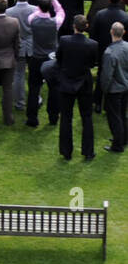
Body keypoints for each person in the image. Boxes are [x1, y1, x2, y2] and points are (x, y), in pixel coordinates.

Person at [54, 14, 99, 161]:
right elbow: (93, 63)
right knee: (86, 117)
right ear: (86, 27)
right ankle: (88, 151)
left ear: (74, 26)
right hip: (84, 83)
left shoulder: (64, 41)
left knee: (66, 117)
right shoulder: (92, 44)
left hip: (67, 81)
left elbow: (59, 59)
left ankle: (66, 152)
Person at [26, 0, 64, 127]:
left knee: (33, 89)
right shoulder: (55, 22)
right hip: (50, 60)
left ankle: (32, 118)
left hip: (36, 58)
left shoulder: (32, 20)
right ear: (49, 8)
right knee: (54, 89)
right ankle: (53, 117)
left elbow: (36, 13)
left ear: (38, 7)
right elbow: (60, 11)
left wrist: (42, 5)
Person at [103, 22, 128, 152]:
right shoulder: (127, 47)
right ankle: (123, 138)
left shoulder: (109, 52)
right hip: (125, 87)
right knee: (122, 114)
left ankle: (117, 145)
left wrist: (104, 90)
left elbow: (107, 75)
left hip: (114, 90)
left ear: (111, 32)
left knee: (115, 118)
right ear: (123, 32)